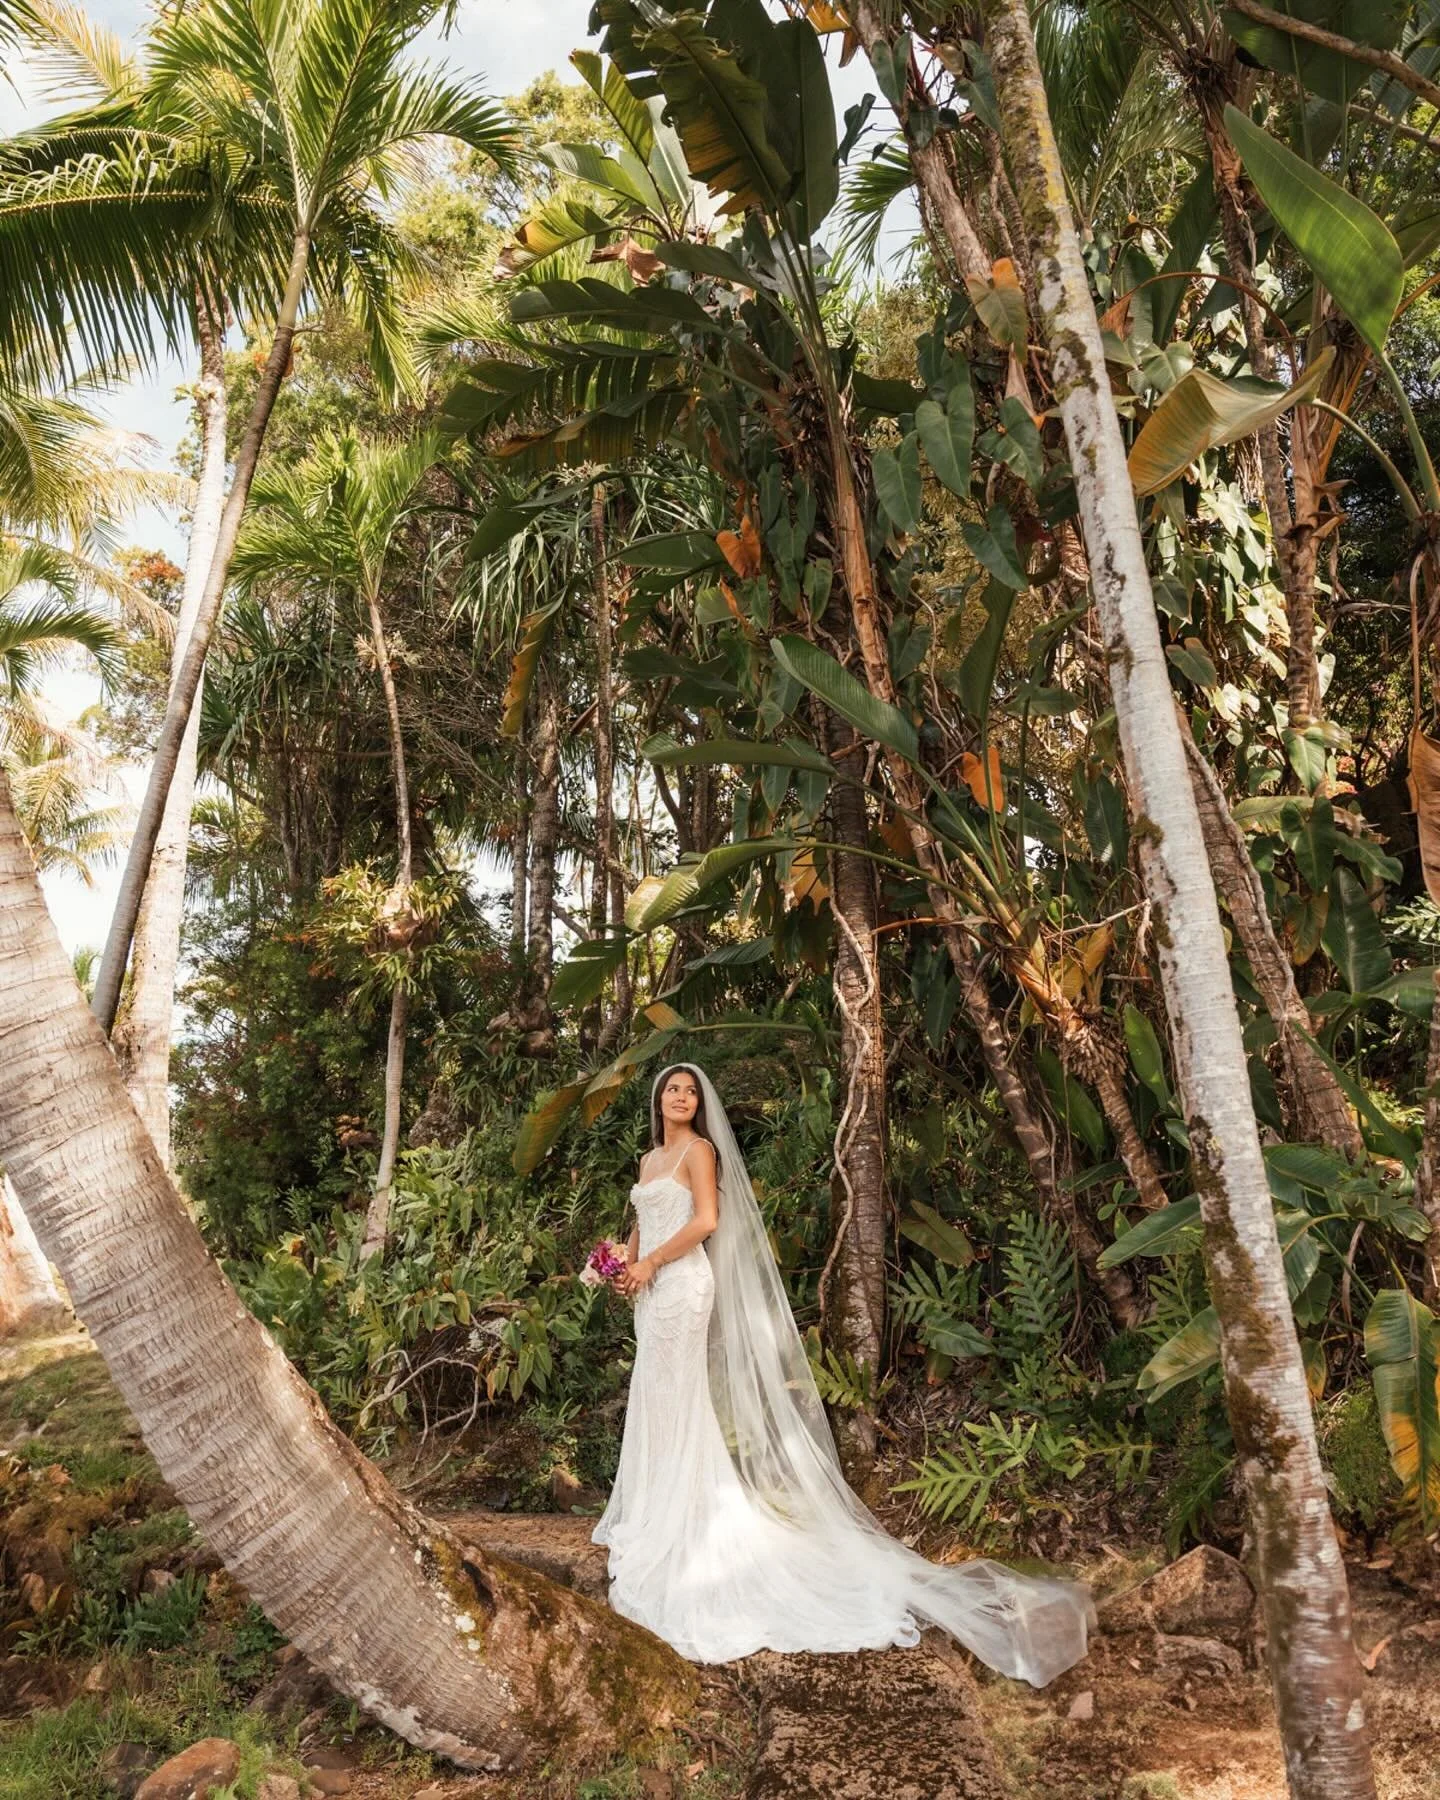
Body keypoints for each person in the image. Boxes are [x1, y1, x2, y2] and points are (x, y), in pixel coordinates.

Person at [591, 1062, 1093, 1681]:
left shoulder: (699, 1151)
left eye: (691, 1090)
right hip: (651, 1291)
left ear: (699, 1104)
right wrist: (620, 1264)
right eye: (672, 1088)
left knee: (680, 1393)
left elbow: (705, 1223)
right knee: (656, 1393)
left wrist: (655, 1264)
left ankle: (683, 1516)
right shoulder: (647, 1161)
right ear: (657, 1097)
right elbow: (642, 1223)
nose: (681, 1096)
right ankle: (652, 1506)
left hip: (685, 1286)